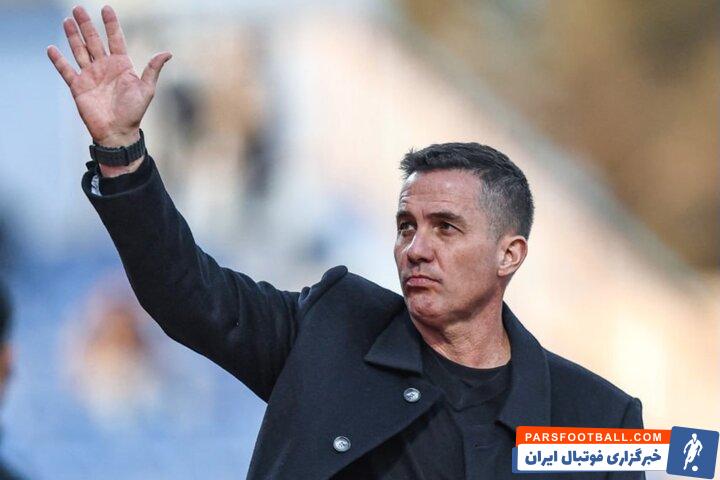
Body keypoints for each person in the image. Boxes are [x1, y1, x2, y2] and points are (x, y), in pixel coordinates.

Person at [47, 5, 644, 479]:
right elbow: (186, 292)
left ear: (509, 254)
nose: (416, 248)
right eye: (406, 226)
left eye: (446, 227)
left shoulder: (595, 420)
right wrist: (121, 153)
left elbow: (681, 456)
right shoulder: (330, 332)